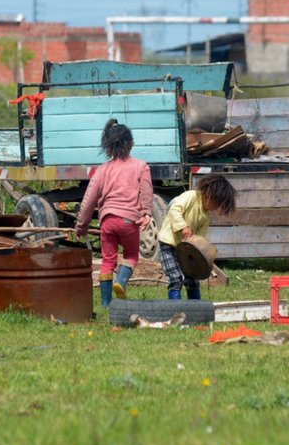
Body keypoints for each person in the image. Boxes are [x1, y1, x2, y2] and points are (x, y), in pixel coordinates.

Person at [75, 119, 152, 308]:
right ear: (131, 144)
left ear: (109, 146)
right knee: (131, 255)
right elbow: (146, 190)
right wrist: (146, 213)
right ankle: (121, 281)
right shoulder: (141, 166)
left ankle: (105, 304)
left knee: (107, 260)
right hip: (128, 220)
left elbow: (89, 199)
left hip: (107, 220)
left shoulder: (103, 169)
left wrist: (81, 225)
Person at [158, 174, 237, 300]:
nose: (215, 207)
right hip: (169, 244)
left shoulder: (205, 217)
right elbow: (174, 210)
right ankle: (176, 311)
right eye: (216, 203)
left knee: (193, 280)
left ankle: (195, 309)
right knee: (175, 279)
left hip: (185, 250)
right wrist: (183, 226)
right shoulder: (191, 196)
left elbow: (199, 240)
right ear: (209, 194)